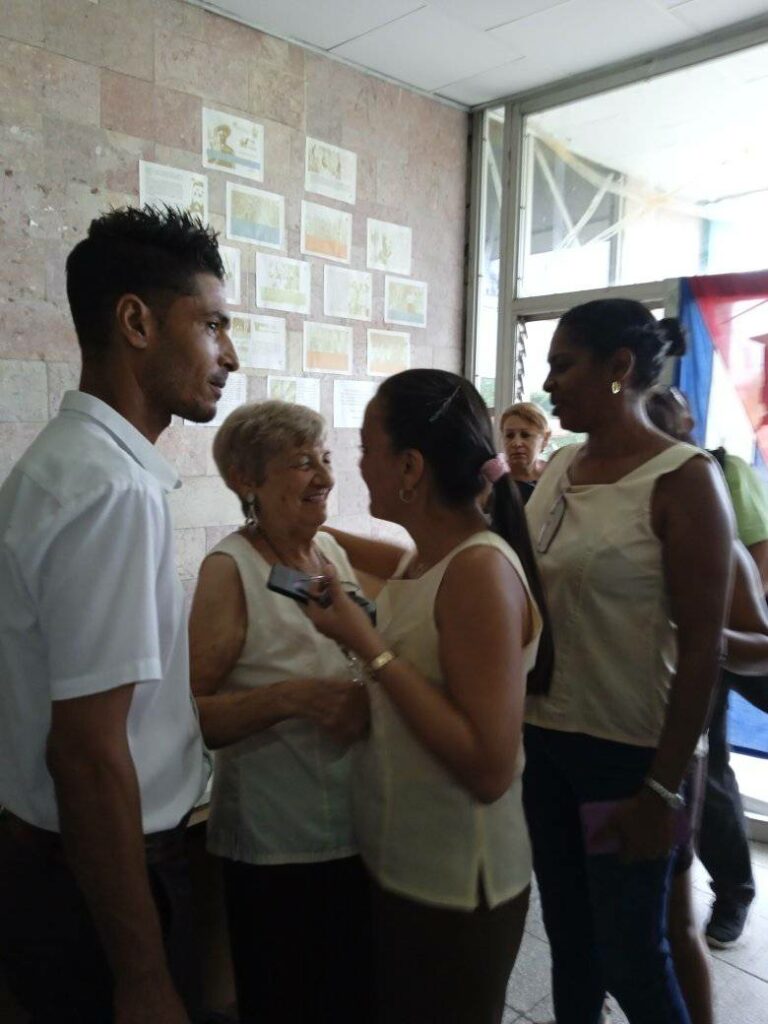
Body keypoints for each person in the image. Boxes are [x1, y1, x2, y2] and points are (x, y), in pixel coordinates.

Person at [0, 206, 239, 1023]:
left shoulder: (70, 465)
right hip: (106, 874)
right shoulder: (111, 488)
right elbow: (90, 755)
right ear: (136, 321)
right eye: (211, 325)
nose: (228, 356)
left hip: (61, 863)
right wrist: (141, 976)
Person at [305, 368, 553, 1024]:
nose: (354, 468)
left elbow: (489, 768)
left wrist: (369, 647)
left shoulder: (479, 570)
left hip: (458, 887)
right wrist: (304, 535)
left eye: (364, 450)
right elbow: (395, 570)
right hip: (408, 866)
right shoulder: (430, 557)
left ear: (410, 467)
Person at [524, 299, 734, 1024]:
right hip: (544, 740)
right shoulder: (557, 467)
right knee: (570, 942)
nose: (549, 383)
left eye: (562, 365)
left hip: (627, 757)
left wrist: (662, 789)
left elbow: (704, 647)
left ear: (619, 369)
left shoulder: (684, 480)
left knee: (632, 954)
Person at [188, 400, 372, 1024]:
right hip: (275, 850)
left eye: (325, 458)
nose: (324, 476)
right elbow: (194, 713)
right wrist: (291, 699)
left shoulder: (330, 556)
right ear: (249, 481)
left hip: (356, 831)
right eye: (301, 462)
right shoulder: (230, 568)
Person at [647, 384, 768, 948]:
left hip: (705, 652)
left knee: (706, 775)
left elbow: (755, 564)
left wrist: (705, 629)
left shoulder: (721, 475)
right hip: (647, 679)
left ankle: (733, 890)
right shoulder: (622, 496)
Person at [500, 400, 551, 484]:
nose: (517, 443)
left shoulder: (554, 475)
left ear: (545, 439)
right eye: (509, 435)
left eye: (525, 435)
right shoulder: (494, 479)